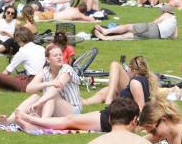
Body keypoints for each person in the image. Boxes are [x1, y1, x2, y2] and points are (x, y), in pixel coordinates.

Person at [14, 56, 160, 133]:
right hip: (111, 115)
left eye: (128, 68)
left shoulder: (135, 82)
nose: (126, 71)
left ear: (133, 69)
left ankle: (32, 122)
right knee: (70, 121)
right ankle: (33, 124)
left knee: (69, 121)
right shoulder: (143, 81)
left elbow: (141, 108)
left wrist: (136, 127)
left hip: (112, 120)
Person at [2, 44, 83, 124]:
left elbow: (56, 89)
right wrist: (48, 83)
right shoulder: (45, 70)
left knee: (51, 96)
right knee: (35, 97)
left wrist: (40, 102)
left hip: (73, 111)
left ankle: (42, 121)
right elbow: (29, 88)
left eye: (60, 55)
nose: (59, 57)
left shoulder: (67, 69)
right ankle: (9, 120)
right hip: (52, 107)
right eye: (55, 55)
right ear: (48, 60)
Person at [0, 27, 44, 92]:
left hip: (32, 82)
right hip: (44, 79)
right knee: (20, 76)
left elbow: (8, 70)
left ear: (19, 39)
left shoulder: (23, 51)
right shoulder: (41, 48)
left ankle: (1, 86)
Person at [93, 5, 178, 40]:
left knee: (128, 27)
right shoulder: (174, 21)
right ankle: (107, 38)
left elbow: (155, 22)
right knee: (129, 36)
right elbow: (174, 36)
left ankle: (106, 31)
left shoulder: (166, 14)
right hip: (157, 36)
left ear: (165, 11)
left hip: (153, 28)